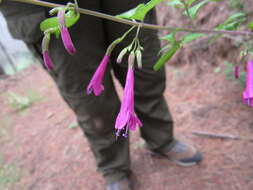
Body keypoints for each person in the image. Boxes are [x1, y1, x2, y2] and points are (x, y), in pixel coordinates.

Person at [0, 1, 202, 190]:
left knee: (147, 73)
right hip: (47, 6)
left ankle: (162, 138)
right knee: (91, 104)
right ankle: (113, 167)